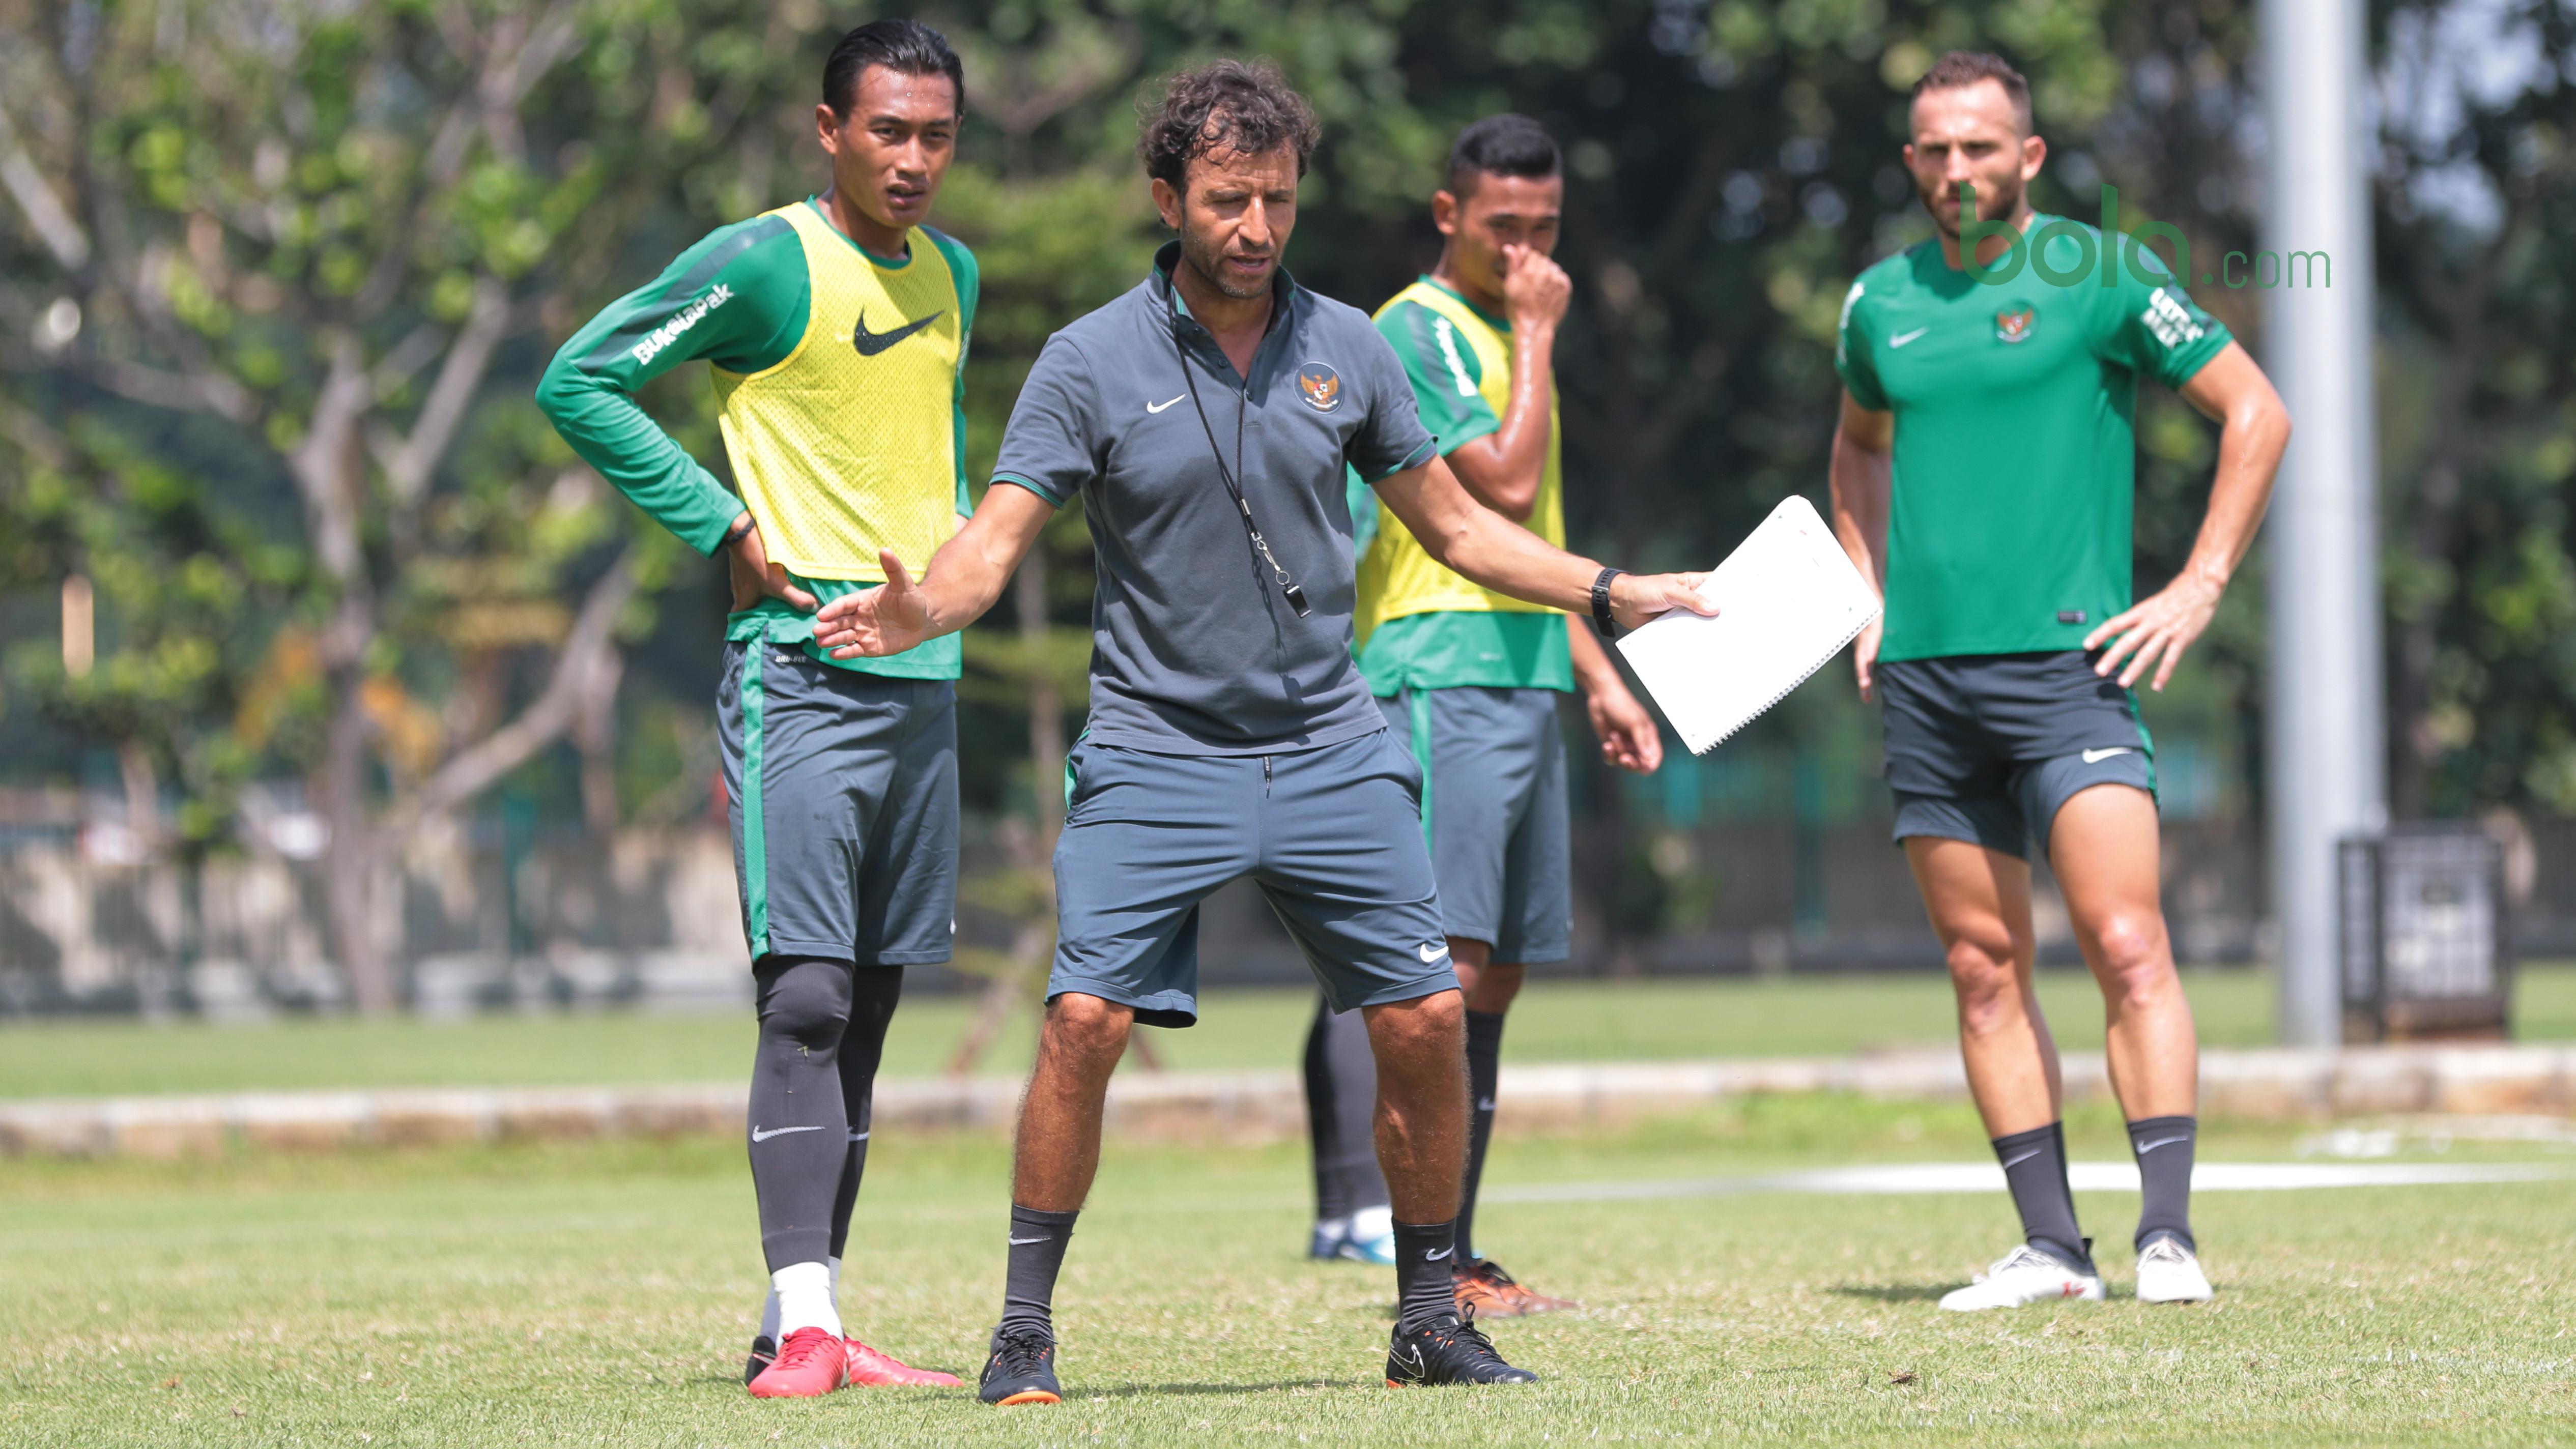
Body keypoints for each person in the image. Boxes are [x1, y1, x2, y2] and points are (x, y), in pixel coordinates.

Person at [814, 59, 1712, 1403]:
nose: (1254, 227)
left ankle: (1425, 1320)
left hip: (1332, 752)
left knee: (1423, 1015)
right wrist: (916, 605)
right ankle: (1022, 1334)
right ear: (1167, 194)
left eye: (1276, 201)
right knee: (1081, 1023)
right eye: (1227, 200)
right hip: (1153, 755)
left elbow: (1461, 528)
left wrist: (1607, 589)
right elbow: (988, 548)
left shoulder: (1349, 346)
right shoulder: (1088, 360)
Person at [534, 19, 978, 1396]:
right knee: (806, 997)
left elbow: (924, 465)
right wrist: (718, 520)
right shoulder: (761, 260)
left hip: (923, 683)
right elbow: (580, 379)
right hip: (795, 669)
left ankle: (809, 1314)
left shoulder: (958, 274)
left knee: (877, 1005)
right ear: (828, 130)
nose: (912, 161)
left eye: (935, 135)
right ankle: (802, 1328)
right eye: (886, 131)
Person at [1826, 51, 2290, 1311]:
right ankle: (2049, 1248)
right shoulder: (1877, 302)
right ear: (1911, 161)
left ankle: (2166, 1236)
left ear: (2025, 158)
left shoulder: (2100, 273)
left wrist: (2196, 583)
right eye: (1932, 150)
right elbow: (1856, 449)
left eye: (1979, 147)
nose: (1955, 170)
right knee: (1983, 967)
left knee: (2126, 940)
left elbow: (2253, 413)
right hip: (1924, 682)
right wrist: (1864, 589)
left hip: (2068, 669)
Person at [1302, 114, 1665, 1317]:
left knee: (1497, 973)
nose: (1526, 251)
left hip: (1524, 669)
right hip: (1438, 672)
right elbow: (1498, 488)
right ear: (1447, 214)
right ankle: (1423, 1263)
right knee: (1440, 972)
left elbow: (1522, 551)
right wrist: (1537, 331)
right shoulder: (1417, 329)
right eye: (1503, 227)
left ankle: (1456, 1247)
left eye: (1545, 229)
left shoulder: (1502, 332)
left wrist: (1598, 669)